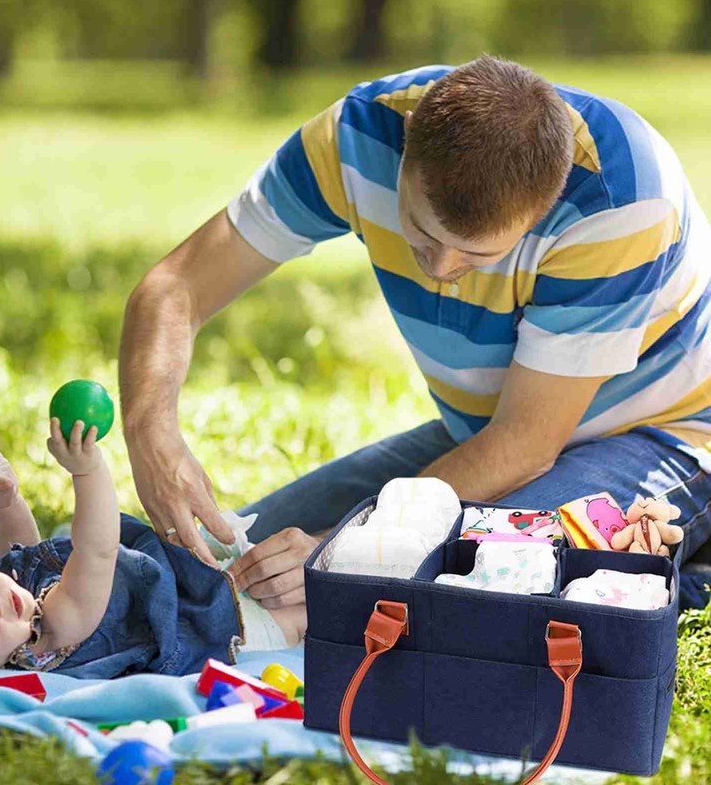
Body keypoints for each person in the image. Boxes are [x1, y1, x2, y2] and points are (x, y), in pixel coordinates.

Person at [119, 55, 711, 611]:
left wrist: (338, 550)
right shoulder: (357, 138)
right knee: (229, 570)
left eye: (477, 256)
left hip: (661, 433)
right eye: (422, 235)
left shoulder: (618, 200)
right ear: (404, 156)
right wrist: (151, 435)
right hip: (490, 433)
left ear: (542, 211)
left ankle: (687, 569)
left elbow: (528, 447)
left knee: (463, 587)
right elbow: (175, 287)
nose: (443, 269)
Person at [0, 426, 304, 681]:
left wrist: (5, 499)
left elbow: (23, 551)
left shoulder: (14, 595)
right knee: (309, 614)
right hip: (205, 628)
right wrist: (87, 471)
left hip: (178, 585)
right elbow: (96, 551)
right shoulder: (56, 628)